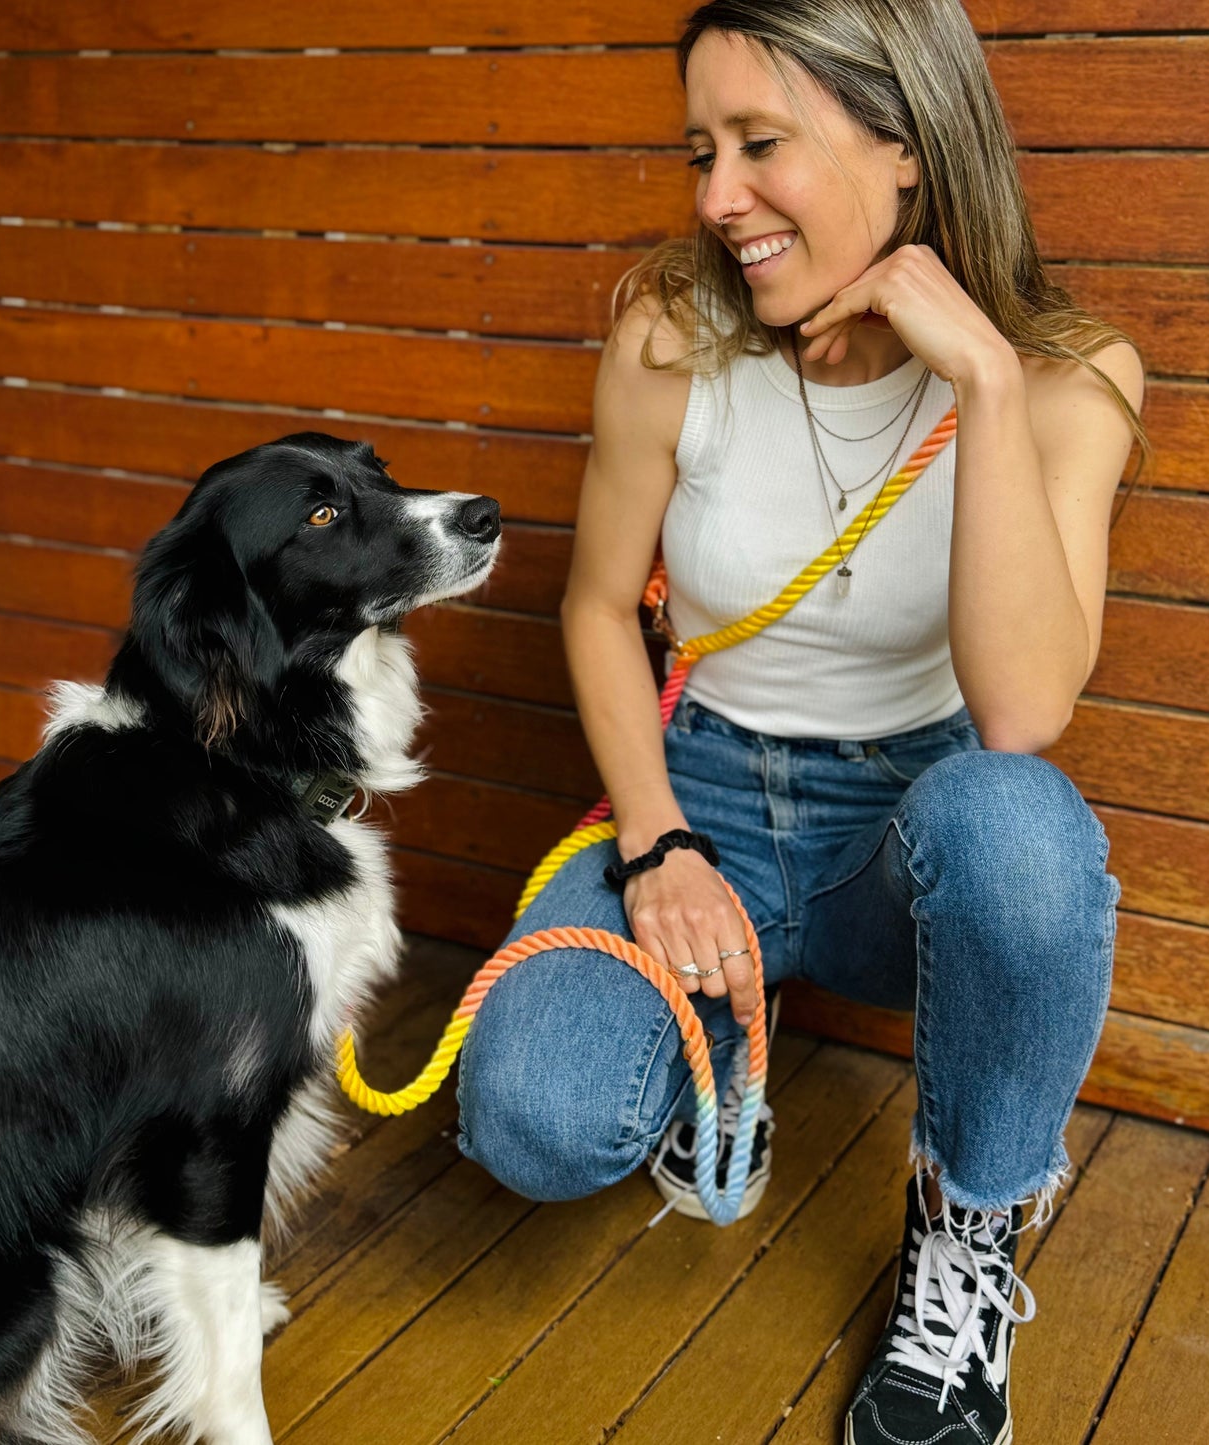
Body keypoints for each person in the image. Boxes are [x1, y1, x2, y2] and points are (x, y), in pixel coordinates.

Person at [454, 1, 1145, 1442]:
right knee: (531, 1114)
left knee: (1016, 824)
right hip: (701, 801)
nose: (715, 198)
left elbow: (1019, 710)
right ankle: (726, 1039)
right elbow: (594, 607)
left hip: (908, 842)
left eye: (760, 144)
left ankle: (963, 1238)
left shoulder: (1069, 379)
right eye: (700, 151)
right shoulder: (670, 329)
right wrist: (654, 842)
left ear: (904, 147)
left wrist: (984, 381)